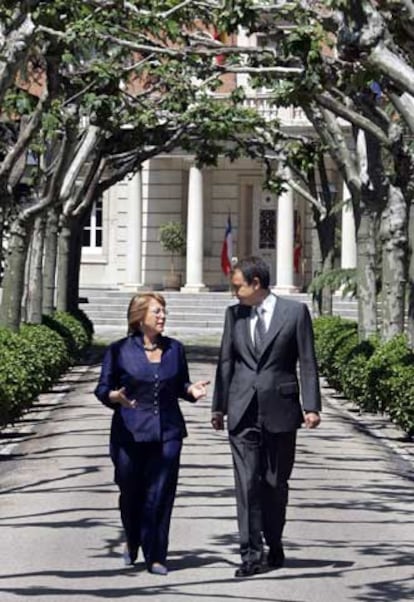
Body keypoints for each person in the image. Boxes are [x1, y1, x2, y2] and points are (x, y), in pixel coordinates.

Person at [211, 256, 321, 578]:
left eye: (238, 287)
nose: (234, 294)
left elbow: (307, 361)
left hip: (281, 410)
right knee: (246, 485)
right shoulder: (234, 315)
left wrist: (311, 406)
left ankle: (274, 541)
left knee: (274, 484)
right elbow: (226, 362)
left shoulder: (294, 312)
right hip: (242, 410)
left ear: (256, 284)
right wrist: (219, 407)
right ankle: (250, 555)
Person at [95, 292, 209, 575]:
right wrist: (114, 396)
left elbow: (180, 384)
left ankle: (157, 554)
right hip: (129, 434)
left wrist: (191, 391)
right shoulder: (118, 350)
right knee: (131, 492)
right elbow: (102, 388)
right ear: (139, 317)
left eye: (164, 312)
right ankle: (133, 537)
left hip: (168, 432)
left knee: (160, 495)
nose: (163, 317)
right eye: (157, 312)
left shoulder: (175, 349)